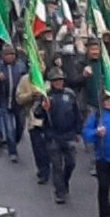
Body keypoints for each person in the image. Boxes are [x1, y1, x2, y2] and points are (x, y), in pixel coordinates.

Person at [36, 67, 81, 204]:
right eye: (55, 80)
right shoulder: (46, 96)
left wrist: (78, 131)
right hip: (53, 135)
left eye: (60, 80)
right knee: (56, 166)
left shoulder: (70, 94)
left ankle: (65, 181)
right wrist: (42, 108)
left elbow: (77, 114)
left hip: (68, 135)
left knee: (71, 163)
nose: (58, 83)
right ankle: (59, 192)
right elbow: (37, 114)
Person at [0, 43, 26, 162]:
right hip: (4, 101)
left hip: (18, 103)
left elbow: (27, 80)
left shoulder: (20, 67)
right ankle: (12, 152)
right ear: (2, 55)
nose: (9, 57)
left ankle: (14, 141)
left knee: (20, 127)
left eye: (12, 54)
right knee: (9, 128)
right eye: (7, 54)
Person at [16, 69, 51, 185]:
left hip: (50, 120)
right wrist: (31, 95)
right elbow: (19, 98)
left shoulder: (50, 78)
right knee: (38, 148)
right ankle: (43, 171)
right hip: (34, 120)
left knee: (50, 148)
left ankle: (51, 168)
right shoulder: (25, 80)